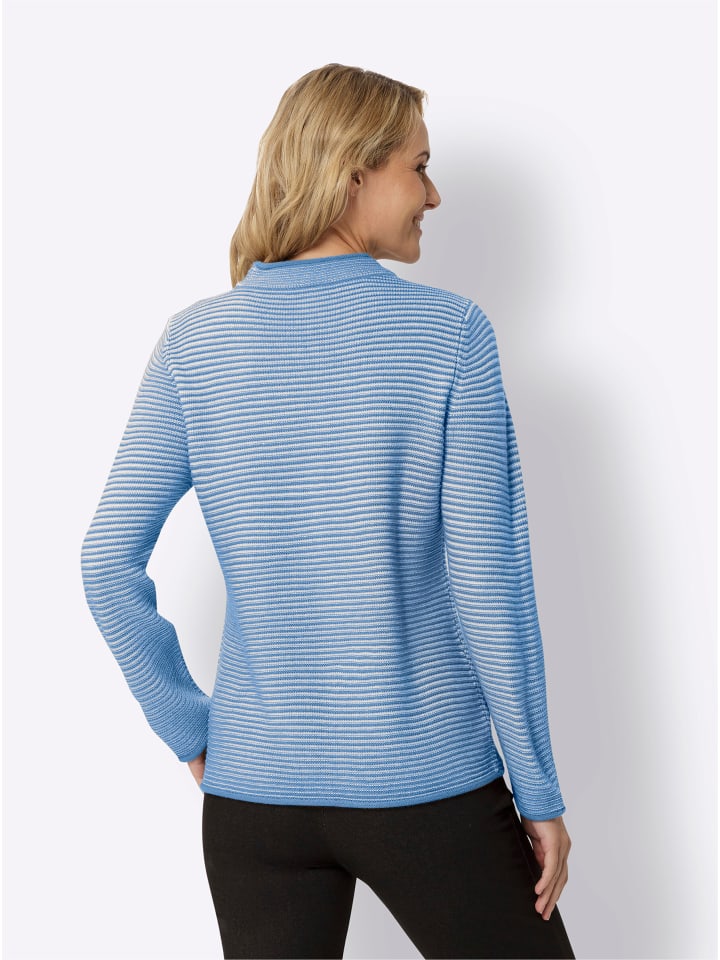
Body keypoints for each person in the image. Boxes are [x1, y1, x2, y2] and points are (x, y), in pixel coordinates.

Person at [80, 63, 576, 960]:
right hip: (425, 787)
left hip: (253, 804)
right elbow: (490, 583)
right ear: (354, 174)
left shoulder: (195, 342)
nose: (433, 194)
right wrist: (537, 791)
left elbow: (104, 562)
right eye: (418, 168)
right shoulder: (448, 335)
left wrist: (193, 731)